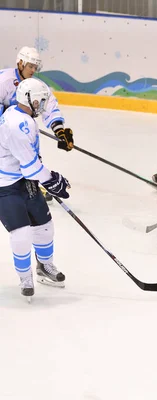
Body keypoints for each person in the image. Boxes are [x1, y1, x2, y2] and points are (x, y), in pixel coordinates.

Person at [0, 78, 71, 299]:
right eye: (39, 100)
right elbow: (30, 167)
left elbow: (30, 161)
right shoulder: (18, 124)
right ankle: (25, 277)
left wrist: (48, 177)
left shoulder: (23, 115)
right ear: (29, 99)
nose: (41, 105)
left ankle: (44, 266)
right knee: (21, 234)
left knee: (45, 226)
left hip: (25, 180)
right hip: (6, 185)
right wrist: (53, 181)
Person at [0, 47, 76, 202]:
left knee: (28, 154)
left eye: (35, 67)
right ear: (20, 63)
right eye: (30, 66)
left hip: (20, 128)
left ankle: (32, 183)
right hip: (5, 127)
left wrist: (59, 130)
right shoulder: (4, 80)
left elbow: (49, 106)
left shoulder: (36, 85)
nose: (33, 70)